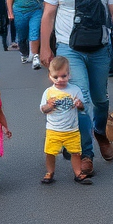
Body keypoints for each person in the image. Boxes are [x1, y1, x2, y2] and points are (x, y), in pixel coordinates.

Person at [40, 0, 113, 178]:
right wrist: (45, 48)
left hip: (99, 49)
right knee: (84, 99)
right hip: (70, 49)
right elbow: (47, 16)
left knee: (101, 99)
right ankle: (87, 154)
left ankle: (100, 131)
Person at [39, 56, 91, 185]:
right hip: (53, 130)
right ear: (50, 76)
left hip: (71, 130)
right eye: (56, 77)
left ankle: (78, 173)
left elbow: (83, 107)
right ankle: (50, 172)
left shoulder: (75, 90)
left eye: (63, 76)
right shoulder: (49, 92)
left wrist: (80, 105)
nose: (60, 80)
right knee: (50, 153)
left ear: (69, 75)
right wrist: (48, 106)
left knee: (76, 152)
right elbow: (42, 109)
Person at [7, 0, 47, 69]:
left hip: (35, 10)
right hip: (20, 11)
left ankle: (35, 56)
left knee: (34, 32)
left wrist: (46, 11)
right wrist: (10, 12)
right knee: (22, 36)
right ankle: (24, 53)